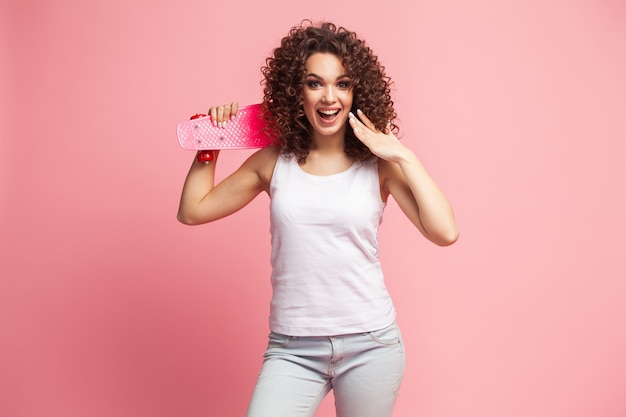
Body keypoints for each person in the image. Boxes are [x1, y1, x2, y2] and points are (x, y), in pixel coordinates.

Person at [177, 20, 458, 417]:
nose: (330, 97)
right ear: (297, 91)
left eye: (342, 84)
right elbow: (192, 211)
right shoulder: (274, 162)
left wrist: (403, 155)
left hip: (370, 345)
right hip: (293, 348)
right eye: (315, 83)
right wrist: (210, 143)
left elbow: (445, 232)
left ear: (357, 91)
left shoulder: (380, 166)